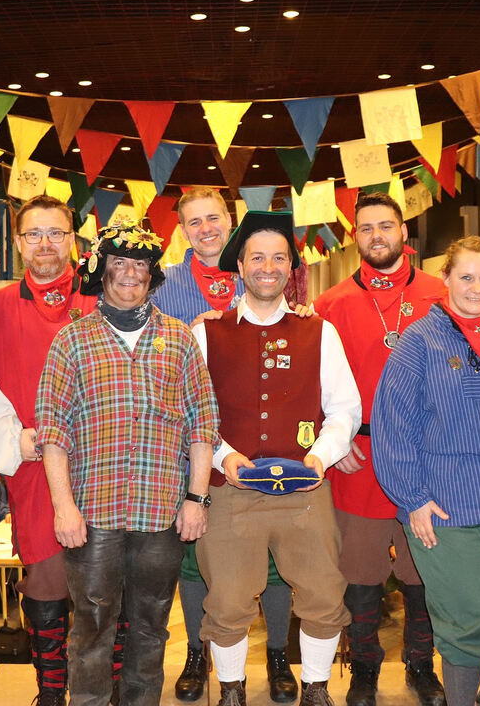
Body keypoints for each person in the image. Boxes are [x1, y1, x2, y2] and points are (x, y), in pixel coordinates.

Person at [36, 217, 220, 706]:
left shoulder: (179, 339)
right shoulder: (71, 340)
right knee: (91, 627)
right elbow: (52, 432)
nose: (130, 273)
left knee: (151, 626)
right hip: (93, 513)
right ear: (101, 271)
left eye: (140, 263)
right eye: (119, 262)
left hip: (161, 513)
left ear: (152, 273)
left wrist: (197, 499)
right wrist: (63, 507)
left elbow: (203, 424)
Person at [192, 210, 361, 706]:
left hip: (305, 488)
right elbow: (191, 413)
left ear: (291, 267)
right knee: (227, 600)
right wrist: (223, 456)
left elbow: (345, 409)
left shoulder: (319, 331)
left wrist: (320, 457)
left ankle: (316, 690)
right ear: (240, 265)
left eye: (279, 258)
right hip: (231, 491)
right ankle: (232, 691)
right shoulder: (206, 333)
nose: (268, 267)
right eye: (257, 257)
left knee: (324, 593)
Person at [370, 235, 480, 706]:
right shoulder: (419, 341)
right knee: (468, 617)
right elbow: (392, 426)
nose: (477, 288)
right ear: (445, 278)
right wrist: (413, 499)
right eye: (466, 277)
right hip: (446, 504)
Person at [153, 186, 297, 703]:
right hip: (190, 442)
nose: (206, 229)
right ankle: (197, 651)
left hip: (261, 439)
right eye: (194, 222)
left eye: (213, 218)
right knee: (196, 553)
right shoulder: (164, 285)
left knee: (274, 554)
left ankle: (277, 653)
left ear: (230, 220)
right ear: (182, 231)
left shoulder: (260, 267)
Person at [312, 191, 446, 706]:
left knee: (423, 573)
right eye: (366, 228)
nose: (376, 236)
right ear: (355, 237)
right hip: (358, 458)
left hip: (426, 460)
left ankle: (421, 665)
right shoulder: (330, 305)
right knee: (359, 574)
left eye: (386, 226)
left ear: (404, 233)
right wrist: (334, 438)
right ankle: (364, 667)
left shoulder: (441, 293)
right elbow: (311, 385)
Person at [0, 195, 98, 705]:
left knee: (105, 585)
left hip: (102, 467)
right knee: (46, 583)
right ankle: (50, 691)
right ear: (18, 243)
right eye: (34, 234)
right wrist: (12, 439)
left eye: (55, 233)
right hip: (33, 468)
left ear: (73, 240)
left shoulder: (101, 297)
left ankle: (104, 690)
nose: (45, 243)